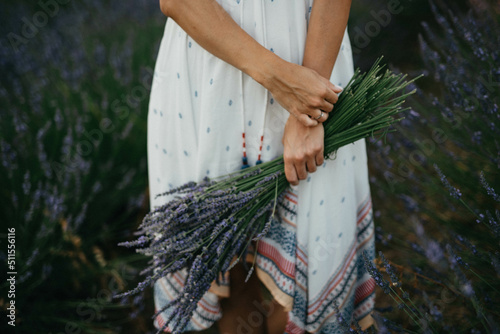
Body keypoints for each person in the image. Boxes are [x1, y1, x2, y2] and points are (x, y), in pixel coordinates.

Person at [147, 0, 377, 333]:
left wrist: (309, 109)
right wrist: (284, 82)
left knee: (307, 261)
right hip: (209, 66)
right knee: (225, 260)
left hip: (312, 60)